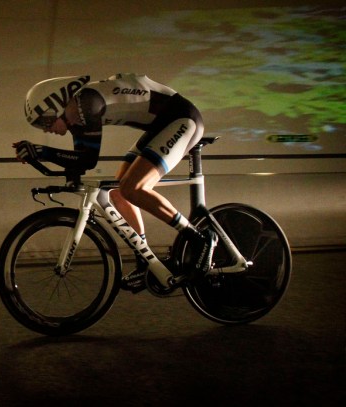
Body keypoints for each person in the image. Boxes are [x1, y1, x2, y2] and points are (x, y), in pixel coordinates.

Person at [14, 73, 217, 293]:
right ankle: (145, 261)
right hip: (161, 125)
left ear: (58, 104)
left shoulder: (86, 104)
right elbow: (79, 162)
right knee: (119, 192)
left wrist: (41, 152)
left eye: (44, 120)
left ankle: (200, 238)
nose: (45, 129)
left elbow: (87, 159)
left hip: (182, 119)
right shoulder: (76, 115)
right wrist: (40, 156)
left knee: (133, 187)